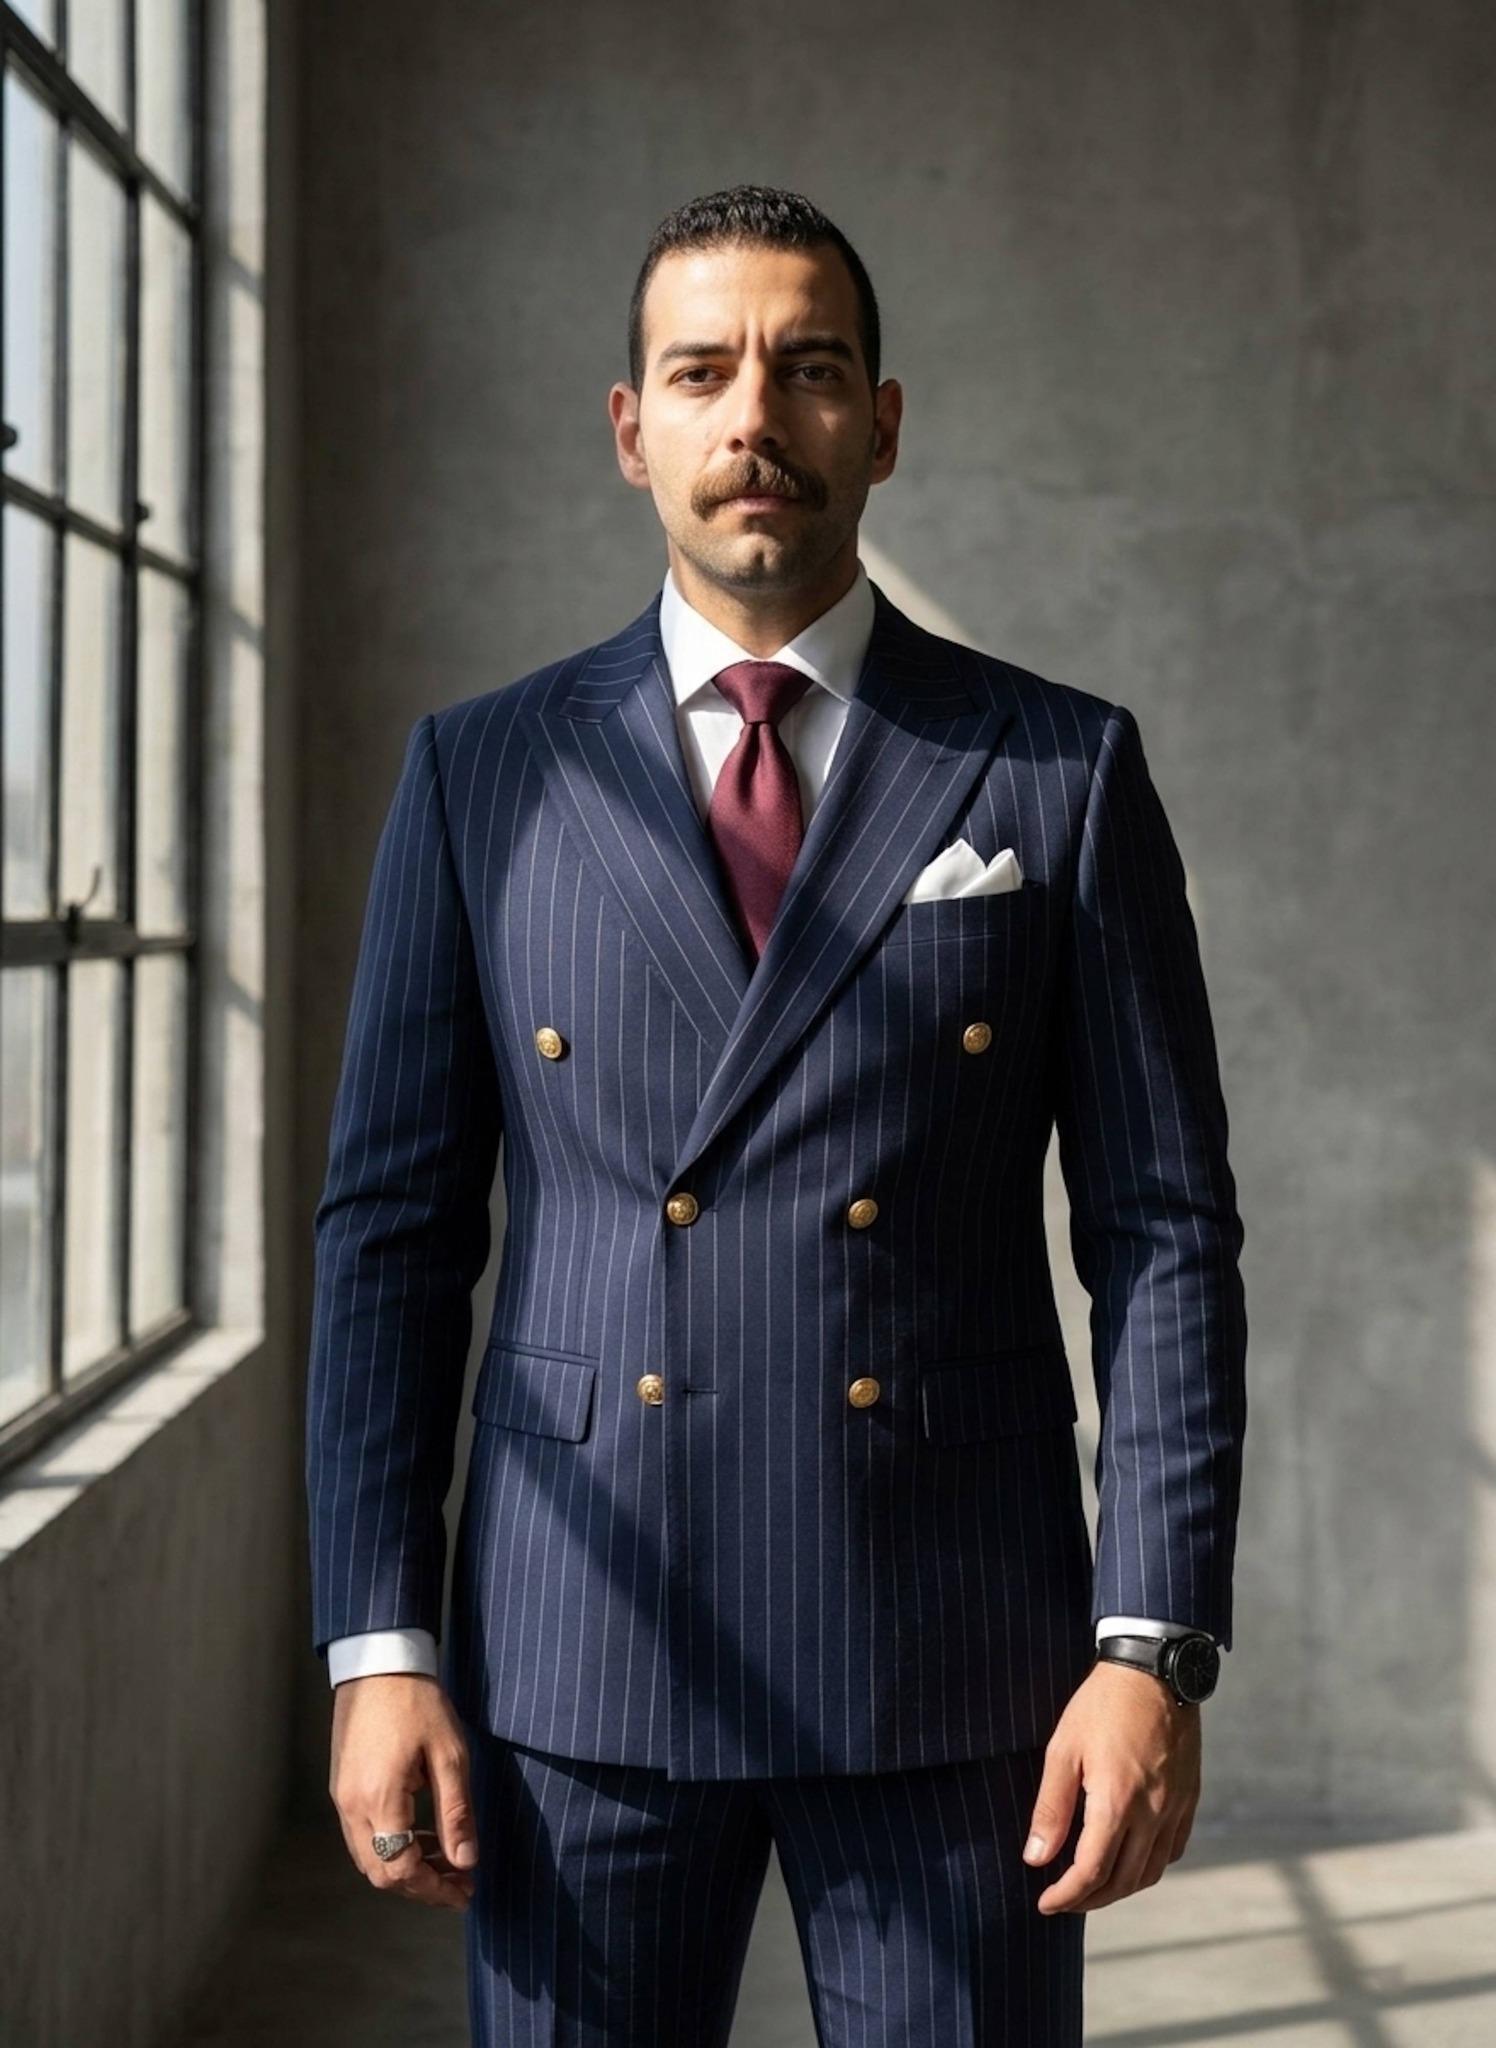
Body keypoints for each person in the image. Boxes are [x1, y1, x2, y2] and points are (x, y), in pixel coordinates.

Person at [306, 184, 1247, 2046]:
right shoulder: (483, 773)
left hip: (955, 1653)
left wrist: (1152, 1644)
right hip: (579, 1640)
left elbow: (1163, 1233)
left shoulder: (1054, 767)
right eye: (703, 369)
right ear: (630, 427)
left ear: (880, 423)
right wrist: (379, 1642)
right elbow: (393, 1236)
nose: (756, 415)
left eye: (809, 369)